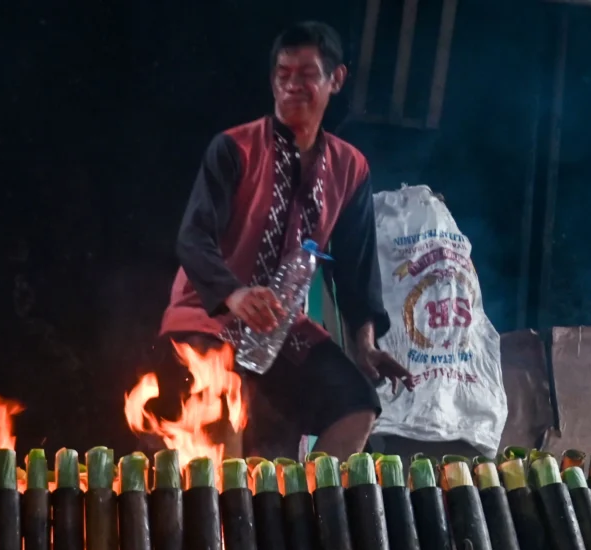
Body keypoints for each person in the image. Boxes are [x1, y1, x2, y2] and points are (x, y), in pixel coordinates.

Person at [153, 23, 411, 459]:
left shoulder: (351, 169)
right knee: (223, 423)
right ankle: (221, 518)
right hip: (207, 318)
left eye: (306, 74)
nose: (292, 85)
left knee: (357, 405)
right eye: (282, 73)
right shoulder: (234, 149)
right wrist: (234, 295)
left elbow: (356, 266)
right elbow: (193, 237)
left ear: (336, 79)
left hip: (283, 329)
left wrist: (365, 345)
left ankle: (308, 517)